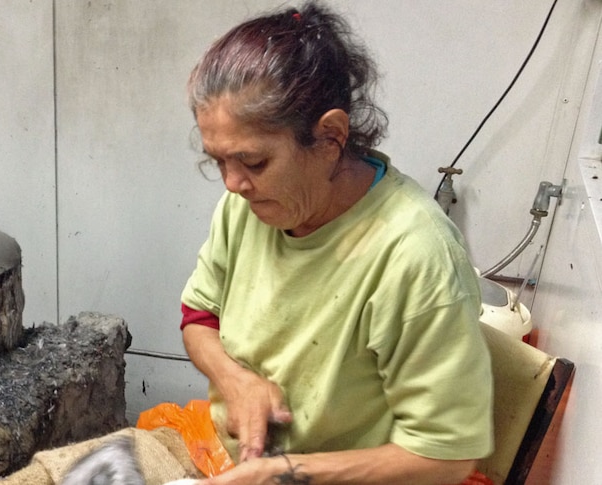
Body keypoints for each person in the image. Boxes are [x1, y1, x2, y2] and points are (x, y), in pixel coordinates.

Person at [179, 2, 494, 484]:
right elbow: (198, 317)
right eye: (217, 161)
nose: (232, 184)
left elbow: (446, 457)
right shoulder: (248, 204)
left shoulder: (415, 255)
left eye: (253, 162)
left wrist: (280, 474)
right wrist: (233, 379)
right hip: (231, 459)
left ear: (330, 137)